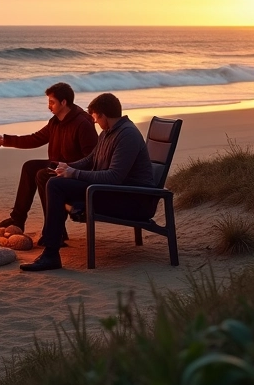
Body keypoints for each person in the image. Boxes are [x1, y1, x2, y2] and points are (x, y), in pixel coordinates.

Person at [20, 92, 156, 272]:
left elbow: (113, 177)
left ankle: (51, 254)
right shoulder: (108, 132)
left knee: (56, 185)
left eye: (95, 118)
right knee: (50, 177)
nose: (95, 122)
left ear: (103, 115)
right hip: (112, 192)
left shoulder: (127, 135)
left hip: (132, 200)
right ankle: (53, 239)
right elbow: (90, 160)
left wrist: (74, 173)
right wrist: (65, 167)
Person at [0, 82, 98, 233]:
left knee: (43, 174)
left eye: (52, 102)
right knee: (29, 167)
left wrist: (70, 169)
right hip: (58, 166)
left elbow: (92, 159)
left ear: (64, 102)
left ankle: (54, 230)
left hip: (75, 172)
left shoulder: (82, 123)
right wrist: (5, 140)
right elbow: (35, 139)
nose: (49, 106)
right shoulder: (55, 121)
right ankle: (18, 220)